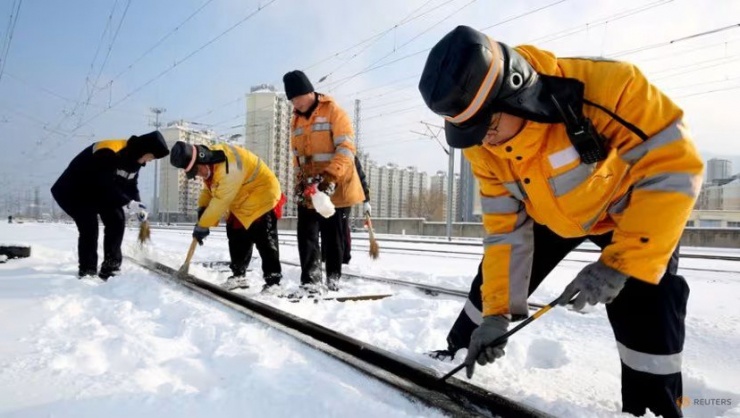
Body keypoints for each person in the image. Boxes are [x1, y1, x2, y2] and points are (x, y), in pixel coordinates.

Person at [418, 26, 703, 418]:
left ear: (517, 94)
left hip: (626, 212)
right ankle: (457, 354)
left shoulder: (607, 87)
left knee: (651, 300)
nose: (484, 142)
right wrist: (496, 315)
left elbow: (675, 165)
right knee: (486, 292)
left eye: (489, 127)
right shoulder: (482, 147)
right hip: (547, 214)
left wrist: (620, 263)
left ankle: (653, 408)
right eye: (472, 133)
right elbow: (504, 231)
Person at [284, 70, 364, 294]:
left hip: (335, 183)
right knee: (306, 233)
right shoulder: (295, 120)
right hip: (310, 186)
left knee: (332, 236)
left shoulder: (334, 112)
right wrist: (300, 183)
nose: (297, 104)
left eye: (299, 98)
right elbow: (297, 156)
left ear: (310, 91)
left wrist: (329, 178)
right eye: (292, 100)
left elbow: (346, 148)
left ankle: (333, 280)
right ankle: (310, 281)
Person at [51, 131, 169, 279]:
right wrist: (128, 203)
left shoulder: (135, 160)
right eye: (151, 156)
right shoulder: (109, 150)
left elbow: (131, 185)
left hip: (96, 191)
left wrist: (138, 204)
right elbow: (104, 184)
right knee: (89, 225)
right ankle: (87, 271)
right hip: (73, 190)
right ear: (144, 150)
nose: (150, 161)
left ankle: (110, 267)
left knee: (117, 218)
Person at [169, 141, 283, 292]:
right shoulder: (211, 164)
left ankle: (273, 282)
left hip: (262, 193)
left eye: (196, 171)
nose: (198, 175)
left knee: (264, 238)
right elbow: (209, 191)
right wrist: (202, 209)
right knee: (235, 234)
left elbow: (221, 200)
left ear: (202, 161)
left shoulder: (228, 166)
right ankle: (238, 276)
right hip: (241, 197)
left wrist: (203, 225)